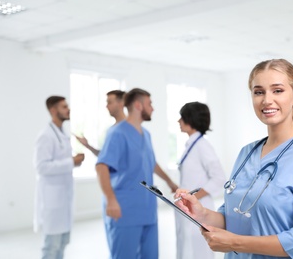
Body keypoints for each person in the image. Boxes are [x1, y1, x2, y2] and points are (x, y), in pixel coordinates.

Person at [175, 59, 293, 259]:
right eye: (259, 92)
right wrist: (202, 213)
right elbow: (232, 217)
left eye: (277, 90)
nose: (267, 100)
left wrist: (235, 242)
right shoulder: (247, 152)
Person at [95, 88, 179, 259]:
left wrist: (170, 182)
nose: (153, 108)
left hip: (147, 209)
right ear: (138, 105)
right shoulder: (117, 133)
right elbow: (102, 166)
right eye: (150, 104)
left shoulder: (146, 134)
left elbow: (151, 162)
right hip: (125, 209)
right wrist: (111, 199)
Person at [33, 96, 85, 259]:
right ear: (53, 110)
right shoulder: (45, 136)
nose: (68, 109)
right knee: (51, 247)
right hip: (52, 201)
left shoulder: (62, 134)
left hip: (63, 200)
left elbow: (60, 163)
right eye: (64, 107)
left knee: (62, 244)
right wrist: (71, 161)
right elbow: (41, 167)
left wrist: (73, 162)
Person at [175, 101, 226, 259]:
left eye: (181, 117)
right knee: (187, 246)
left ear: (190, 120)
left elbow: (219, 178)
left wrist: (194, 197)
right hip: (187, 206)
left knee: (199, 250)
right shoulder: (192, 144)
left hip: (199, 206)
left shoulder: (202, 146)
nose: (178, 121)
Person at [75, 90, 126, 156]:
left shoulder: (130, 129)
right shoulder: (112, 129)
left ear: (121, 103)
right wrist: (87, 145)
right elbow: (105, 156)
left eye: (109, 103)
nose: (107, 106)